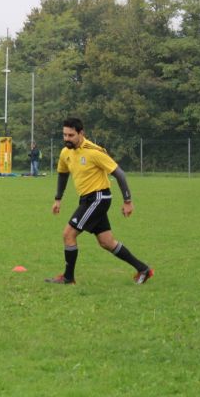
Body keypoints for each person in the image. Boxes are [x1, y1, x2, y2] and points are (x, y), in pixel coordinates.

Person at [46, 117, 154, 285]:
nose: (67, 139)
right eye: (64, 135)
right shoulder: (65, 152)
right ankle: (143, 269)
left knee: (68, 234)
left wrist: (127, 201)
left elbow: (120, 174)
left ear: (81, 133)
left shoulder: (94, 151)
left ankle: (68, 278)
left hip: (98, 198)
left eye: (71, 135)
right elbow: (62, 174)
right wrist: (58, 199)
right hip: (87, 199)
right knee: (106, 242)